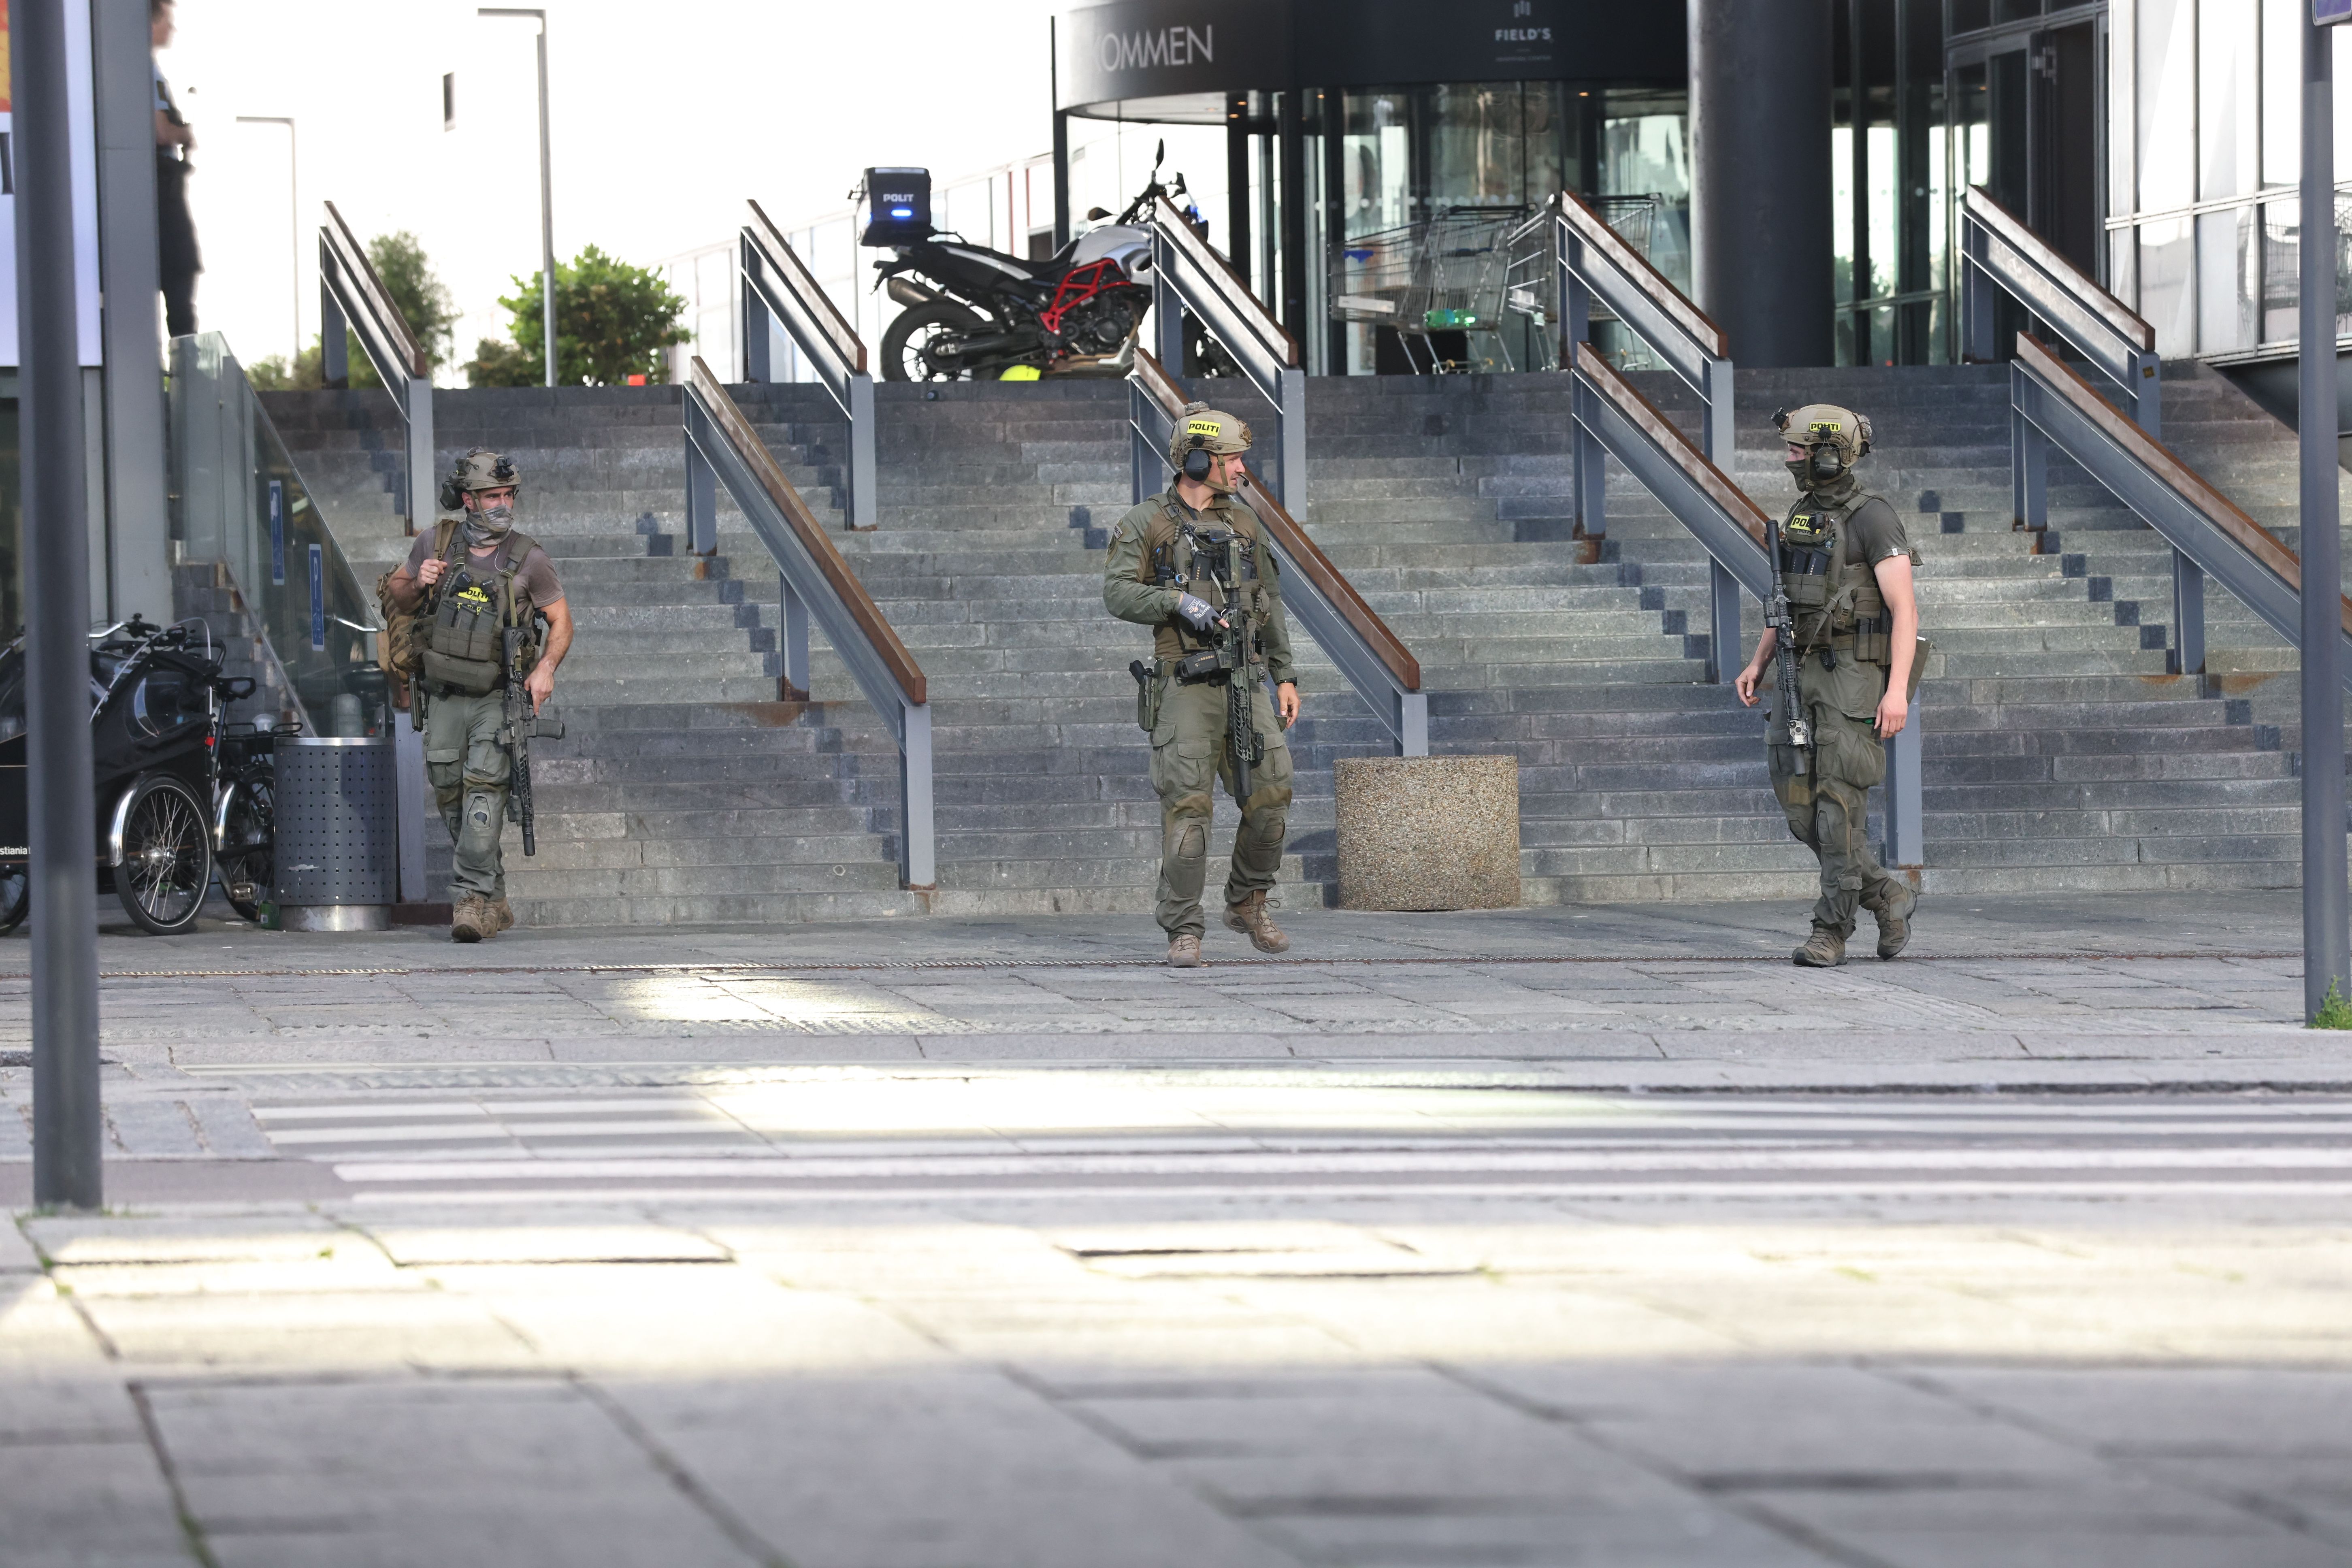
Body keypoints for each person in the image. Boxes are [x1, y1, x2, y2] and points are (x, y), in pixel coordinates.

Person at [1104, 404, 1301, 967]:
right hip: (1185, 684)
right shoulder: (1147, 522)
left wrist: (1284, 674)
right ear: (1196, 459)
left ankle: (1247, 900)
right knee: (1189, 811)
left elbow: (1271, 602)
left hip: (1246, 679)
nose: (1242, 470)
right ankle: (1184, 929)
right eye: (1233, 459)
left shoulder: (1244, 523)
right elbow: (1116, 593)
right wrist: (1175, 602)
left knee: (1274, 794)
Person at [1734, 404, 1922, 968]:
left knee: (1838, 806)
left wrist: (1896, 693)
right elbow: (1785, 601)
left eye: (1796, 450)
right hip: (1800, 671)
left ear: (1828, 453)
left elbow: (1905, 610)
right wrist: (1759, 662)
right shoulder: (1801, 514)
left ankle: (1831, 929)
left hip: (1854, 677)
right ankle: (1885, 894)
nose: (1789, 458)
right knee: (1801, 810)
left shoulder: (1874, 518)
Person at [385, 450, 574, 942]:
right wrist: (417, 581)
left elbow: (562, 621)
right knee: (451, 795)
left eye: (509, 495)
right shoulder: (437, 541)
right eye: (493, 495)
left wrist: (546, 669)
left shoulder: (530, 558)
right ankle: (496, 899)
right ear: (469, 499)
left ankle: (470, 900)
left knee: (484, 793)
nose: (503, 504)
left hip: (494, 695)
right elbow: (398, 595)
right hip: (443, 691)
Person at [151, 0, 200, 338]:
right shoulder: (143, 67)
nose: (173, 28)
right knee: (180, 273)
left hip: (159, 188)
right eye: (168, 19)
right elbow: (160, 132)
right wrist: (186, 133)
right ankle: (187, 375)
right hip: (160, 193)